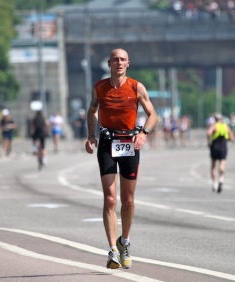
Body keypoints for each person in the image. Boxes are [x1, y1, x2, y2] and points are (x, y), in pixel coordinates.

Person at [85, 48, 158, 269]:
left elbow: (153, 115)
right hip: (108, 144)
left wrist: (143, 133)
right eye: (115, 59)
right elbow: (92, 111)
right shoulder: (99, 87)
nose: (119, 62)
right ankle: (112, 251)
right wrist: (91, 135)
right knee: (110, 199)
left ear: (128, 64)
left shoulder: (136, 87)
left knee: (127, 200)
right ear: (109, 63)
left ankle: (124, 241)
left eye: (123, 60)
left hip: (129, 144)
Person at [206, 113, 234, 193]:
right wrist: (229, 139)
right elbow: (231, 137)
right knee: (222, 164)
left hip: (214, 146)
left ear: (215, 119)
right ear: (221, 119)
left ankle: (214, 183)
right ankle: (221, 179)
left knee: (213, 166)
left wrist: (209, 141)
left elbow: (208, 133)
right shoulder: (225, 126)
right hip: (223, 146)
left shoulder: (214, 126)